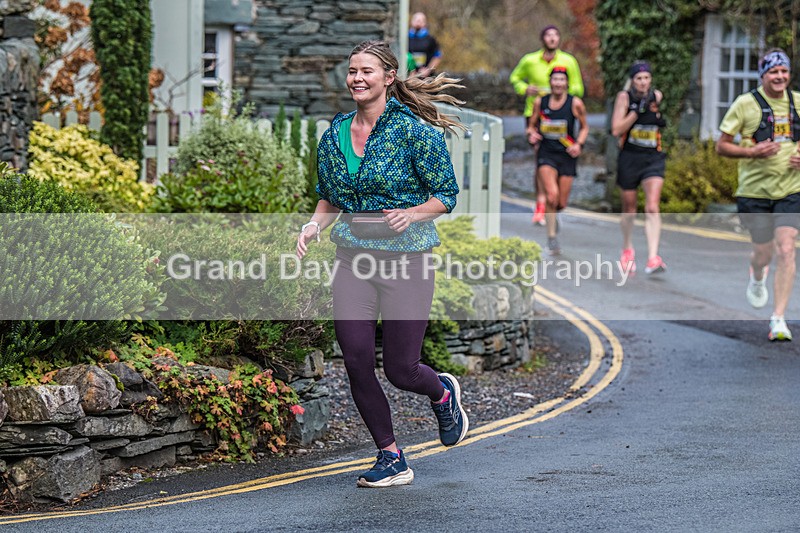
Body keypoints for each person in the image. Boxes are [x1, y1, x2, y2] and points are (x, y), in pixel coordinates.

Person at [296, 40, 469, 487]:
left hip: (407, 261)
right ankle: (391, 456)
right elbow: (329, 198)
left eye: (366, 71)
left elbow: (445, 194)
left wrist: (412, 214)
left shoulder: (413, 131)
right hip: (352, 259)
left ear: (389, 77)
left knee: (401, 369)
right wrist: (313, 225)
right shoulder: (334, 133)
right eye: (352, 70)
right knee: (355, 360)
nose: (357, 78)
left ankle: (442, 393)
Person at [716, 48, 800, 341]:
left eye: (784, 71)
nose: (780, 76)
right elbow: (722, 145)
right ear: (763, 75)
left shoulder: (798, 102)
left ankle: (778, 318)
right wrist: (752, 152)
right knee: (764, 253)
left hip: (791, 189)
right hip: (754, 192)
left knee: (786, 248)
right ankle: (757, 272)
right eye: (773, 71)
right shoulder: (745, 104)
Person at [509, 25, 584, 226]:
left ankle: (554, 198)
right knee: (541, 158)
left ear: (559, 39)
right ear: (542, 39)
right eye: (548, 35)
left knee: (560, 157)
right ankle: (541, 203)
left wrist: (561, 92)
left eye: (555, 35)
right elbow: (514, 79)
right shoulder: (529, 60)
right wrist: (526, 89)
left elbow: (579, 87)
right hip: (536, 114)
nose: (552, 39)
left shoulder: (568, 61)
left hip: (563, 116)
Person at [610, 60, 667, 275]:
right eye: (639, 78)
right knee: (630, 209)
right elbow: (616, 129)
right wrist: (636, 112)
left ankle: (653, 257)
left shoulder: (657, 97)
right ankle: (627, 248)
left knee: (652, 206)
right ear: (632, 81)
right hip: (630, 157)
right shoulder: (624, 98)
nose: (643, 82)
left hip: (652, 157)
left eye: (646, 78)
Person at [526, 66, 589, 255]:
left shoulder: (575, 103)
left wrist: (579, 144)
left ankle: (552, 217)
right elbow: (531, 126)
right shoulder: (541, 102)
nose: (558, 83)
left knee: (560, 203)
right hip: (546, 154)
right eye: (555, 79)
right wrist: (531, 134)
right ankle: (551, 238)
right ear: (550, 82)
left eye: (562, 80)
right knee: (551, 196)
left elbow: (584, 127)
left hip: (567, 155)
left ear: (567, 83)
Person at [408, 12, 441, 78]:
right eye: (416, 20)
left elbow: (437, 56)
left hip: (426, 77)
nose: (418, 22)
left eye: (421, 20)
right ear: (411, 21)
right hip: (409, 76)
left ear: (425, 23)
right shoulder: (405, 38)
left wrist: (428, 70)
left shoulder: (430, 39)